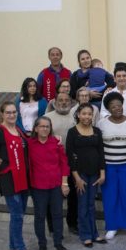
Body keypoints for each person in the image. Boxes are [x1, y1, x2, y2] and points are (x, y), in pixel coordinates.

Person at [0, 102, 37, 250]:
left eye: (14, 112)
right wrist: (0, 166)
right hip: (9, 179)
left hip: (24, 178)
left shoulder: (18, 130)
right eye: (8, 113)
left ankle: (13, 248)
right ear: (2, 114)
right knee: (17, 215)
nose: (11, 115)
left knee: (18, 215)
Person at [97, 92, 126, 239]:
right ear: (108, 109)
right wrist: (100, 168)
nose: (117, 108)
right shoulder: (101, 123)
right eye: (113, 106)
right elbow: (98, 147)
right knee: (110, 196)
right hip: (108, 166)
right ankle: (111, 226)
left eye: (119, 105)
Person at [27, 116, 70, 250]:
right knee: (40, 216)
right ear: (36, 128)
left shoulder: (56, 143)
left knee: (57, 214)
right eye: (42, 126)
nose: (45, 129)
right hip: (38, 186)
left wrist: (64, 183)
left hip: (55, 185)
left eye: (47, 126)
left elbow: (64, 164)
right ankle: (42, 244)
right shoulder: (29, 144)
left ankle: (58, 242)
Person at [66, 103, 107, 247]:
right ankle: (85, 235)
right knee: (82, 205)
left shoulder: (97, 131)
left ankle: (94, 233)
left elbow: (101, 153)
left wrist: (102, 173)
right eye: (84, 113)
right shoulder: (72, 132)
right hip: (80, 174)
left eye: (89, 114)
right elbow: (69, 156)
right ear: (78, 114)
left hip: (95, 173)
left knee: (91, 205)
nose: (87, 116)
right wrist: (76, 177)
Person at [44, 92, 78, 235]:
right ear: (54, 102)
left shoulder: (76, 117)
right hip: (53, 163)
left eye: (66, 100)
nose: (64, 103)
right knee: (52, 196)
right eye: (60, 100)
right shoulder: (47, 118)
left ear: (71, 102)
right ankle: (52, 227)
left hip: (72, 162)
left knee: (74, 196)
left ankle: (72, 223)